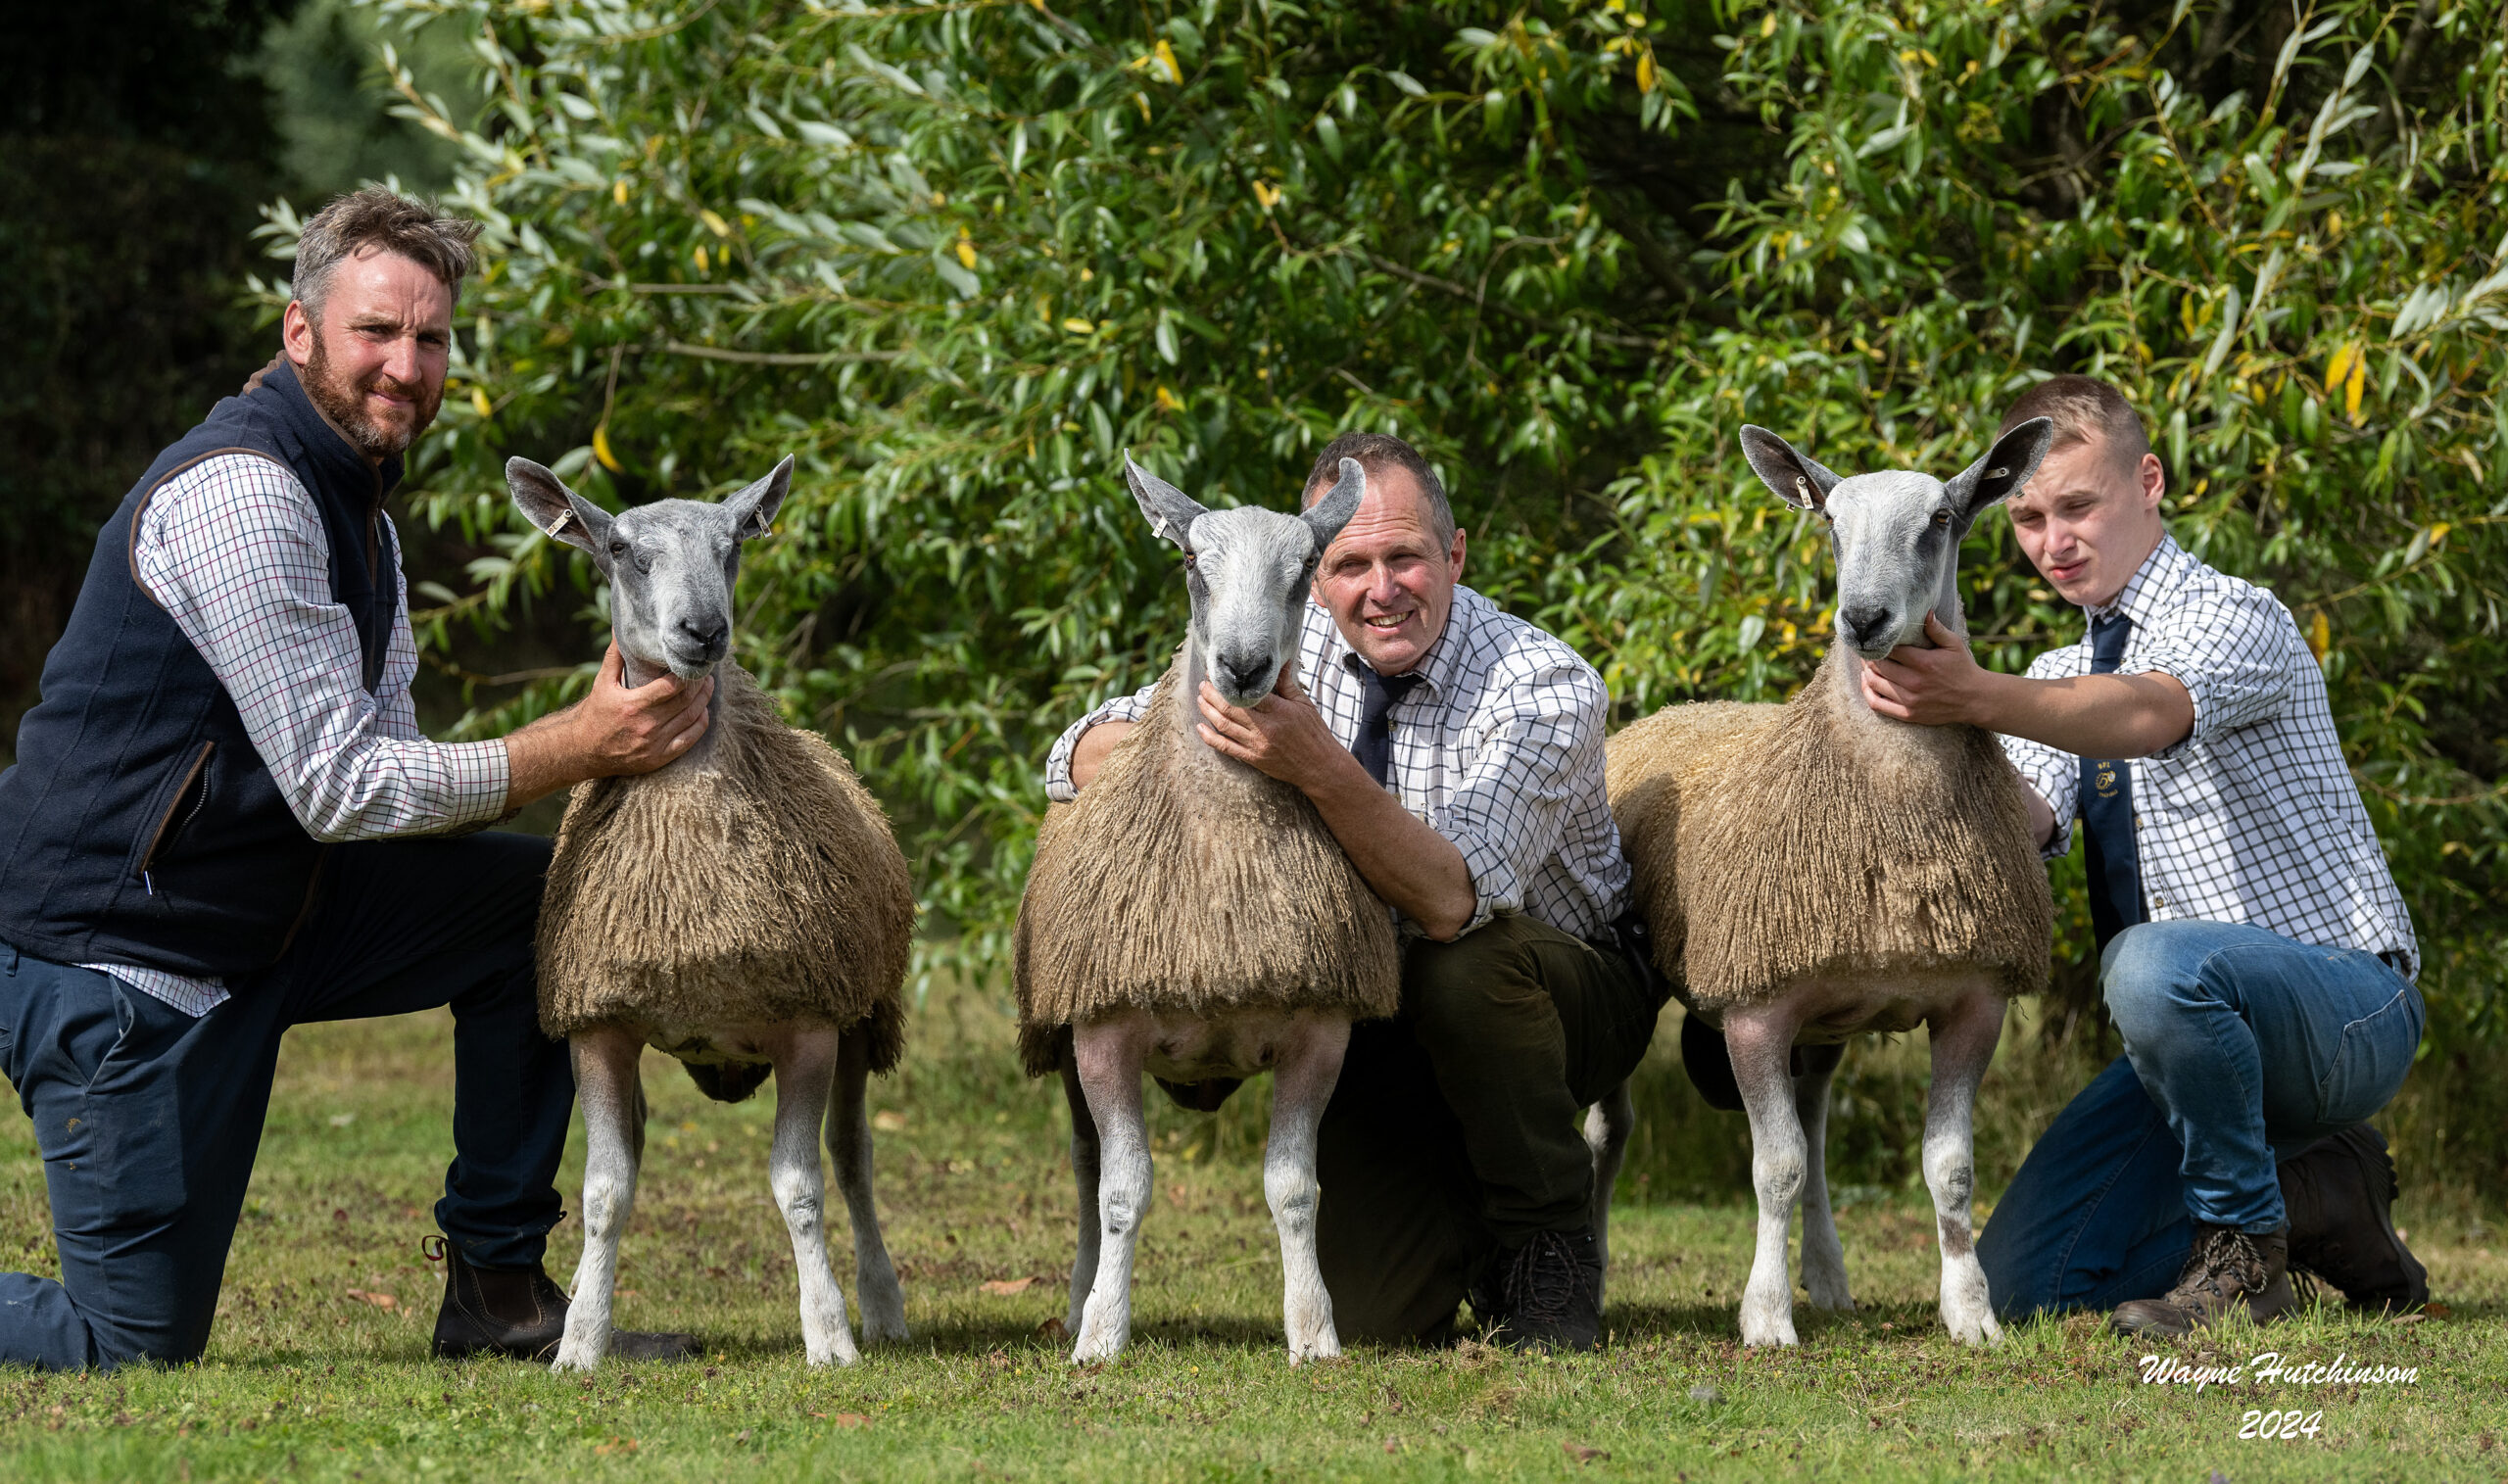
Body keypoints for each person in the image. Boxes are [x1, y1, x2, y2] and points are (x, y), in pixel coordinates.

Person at [0, 188, 713, 1368]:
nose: (404, 366)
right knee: (127, 1346)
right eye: (374, 332)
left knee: (544, 906)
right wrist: (580, 744)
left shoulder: (360, 515)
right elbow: (341, 790)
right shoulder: (245, 494)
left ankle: (497, 1288)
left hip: (267, 914)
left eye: (429, 339)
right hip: (123, 959)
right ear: (298, 333)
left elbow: (379, 773)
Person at [1046, 433, 1663, 1352]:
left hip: (1554, 993)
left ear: (1453, 555)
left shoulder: (1543, 683)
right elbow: (1073, 756)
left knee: (1465, 968)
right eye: (1351, 564)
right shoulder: (1289, 647)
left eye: (1405, 556)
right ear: (1315, 574)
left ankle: (1545, 1251)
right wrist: (1166, 747)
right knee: (1375, 1319)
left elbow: (1452, 899)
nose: (1381, 589)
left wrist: (1316, 765)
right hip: (1382, 1003)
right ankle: (1461, 1225)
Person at [1857, 374, 2426, 1336]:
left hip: (2344, 1011)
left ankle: (2243, 1256)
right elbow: (2021, 825)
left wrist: (1977, 696)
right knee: (2029, 1287)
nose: (2053, 541)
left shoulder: (2239, 615)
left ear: (2148, 481)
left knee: (2151, 960)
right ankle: (2317, 1198)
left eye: (2077, 505)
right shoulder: (2051, 677)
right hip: (2186, 1046)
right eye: (2028, 518)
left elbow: (2150, 712)